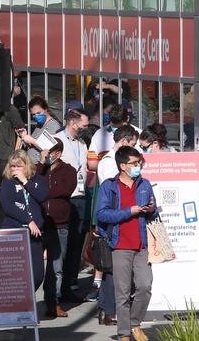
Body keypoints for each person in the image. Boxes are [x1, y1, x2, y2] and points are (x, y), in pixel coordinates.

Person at [96, 146, 156, 341]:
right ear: (123, 166)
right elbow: (101, 214)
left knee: (145, 286)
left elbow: (153, 212)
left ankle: (134, 324)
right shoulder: (109, 186)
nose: (138, 166)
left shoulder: (144, 184)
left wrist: (151, 209)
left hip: (142, 244)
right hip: (119, 244)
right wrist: (128, 211)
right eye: (134, 163)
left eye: (139, 162)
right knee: (122, 293)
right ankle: (123, 333)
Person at [94, 125, 139, 325]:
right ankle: (108, 310)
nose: (134, 149)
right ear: (123, 141)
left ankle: (106, 309)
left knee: (112, 269)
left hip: (122, 219)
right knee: (111, 269)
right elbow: (111, 192)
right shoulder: (109, 163)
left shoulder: (113, 161)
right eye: (132, 144)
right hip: (114, 221)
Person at [36, 138, 78, 317]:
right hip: (38, 224)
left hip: (59, 224)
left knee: (56, 266)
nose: (46, 155)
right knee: (34, 267)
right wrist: (40, 164)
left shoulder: (68, 170)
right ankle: (29, 301)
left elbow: (64, 191)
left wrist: (41, 191)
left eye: (49, 152)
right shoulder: (40, 170)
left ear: (58, 154)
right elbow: (31, 183)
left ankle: (54, 302)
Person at [0, 150, 49, 291]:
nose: (15, 170)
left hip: (35, 235)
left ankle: (26, 299)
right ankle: (18, 305)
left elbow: (42, 196)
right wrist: (28, 220)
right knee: (15, 275)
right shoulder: (7, 182)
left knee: (38, 275)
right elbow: (8, 207)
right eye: (13, 166)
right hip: (14, 232)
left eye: (19, 166)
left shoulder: (38, 180)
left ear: (27, 166)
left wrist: (25, 182)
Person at [54, 108, 90, 301]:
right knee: (64, 245)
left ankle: (70, 284)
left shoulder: (82, 142)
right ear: (73, 123)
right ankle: (58, 291)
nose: (86, 128)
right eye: (83, 125)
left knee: (77, 242)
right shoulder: (57, 139)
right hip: (66, 197)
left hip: (81, 195)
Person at [88, 104, 141, 172]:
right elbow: (92, 164)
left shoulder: (138, 134)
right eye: (113, 126)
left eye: (120, 127)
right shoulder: (100, 135)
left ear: (127, 119)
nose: (117, 130)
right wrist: (109, 167)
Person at [19, 96, 63, 163]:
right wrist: (25, 137)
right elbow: (34, 146)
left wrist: (32, 140)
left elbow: (50, 150)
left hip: (41, 166)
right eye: (33, 114)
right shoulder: (39, 125)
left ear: (45, 109)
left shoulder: (53, 126)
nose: (36, 116)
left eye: (39, 113)